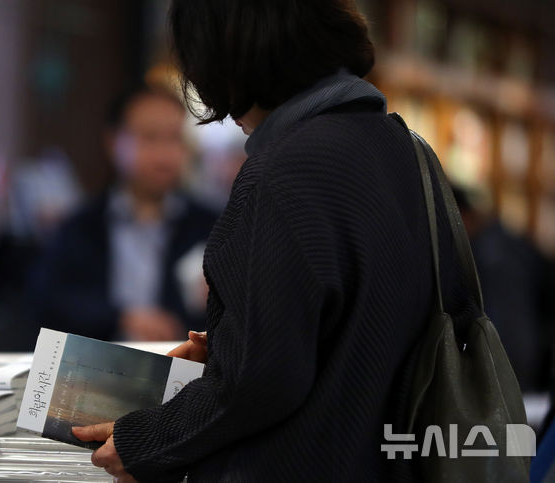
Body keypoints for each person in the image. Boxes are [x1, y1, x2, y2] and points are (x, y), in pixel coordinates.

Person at [71, 1, 481, 482]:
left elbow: (261, 381)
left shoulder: (283, 172)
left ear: (228, 56)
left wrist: (143, 441)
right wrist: (237, 339)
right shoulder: (406, 151)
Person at [28, 84, 218, 343]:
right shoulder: (80, 226)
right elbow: (50, 302)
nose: (165, 154)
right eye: (150, 137)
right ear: (113, 141)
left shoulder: (212, 226)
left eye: (174, 138)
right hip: (93, 367)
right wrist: (121, 317)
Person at [453, 186, 555, 392]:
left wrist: (509, 392)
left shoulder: (494, 256)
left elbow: (514, 334)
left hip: (515, 387)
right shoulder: (503, 244)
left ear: (462, 216)